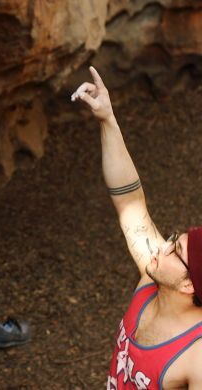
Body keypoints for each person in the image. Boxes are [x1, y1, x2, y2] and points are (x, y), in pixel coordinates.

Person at [72, 66, 202, 389]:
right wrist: (108, 119)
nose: (162, 246)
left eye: (176, 250)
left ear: (189, 286)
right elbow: (129, 199)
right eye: (174, 239)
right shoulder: (152, 276)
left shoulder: (196, 357)